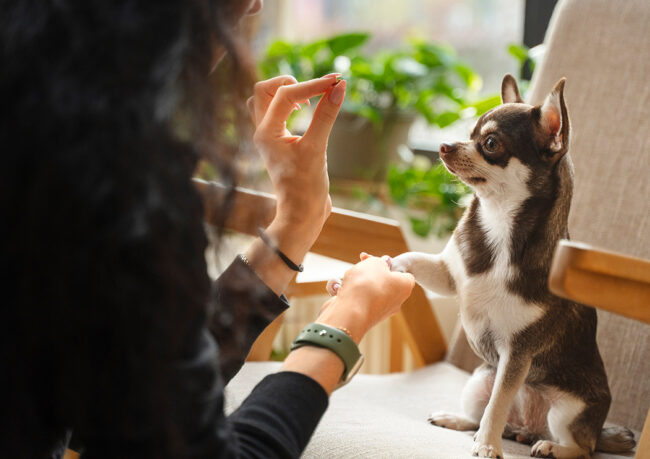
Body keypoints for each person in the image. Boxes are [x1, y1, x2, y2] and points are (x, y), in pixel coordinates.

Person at [1, 0, 415, 457]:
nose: (256, 3)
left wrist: (294, 226)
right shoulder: (105, 180)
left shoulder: (50, 144)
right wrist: (344, 320)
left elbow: (137, 402)